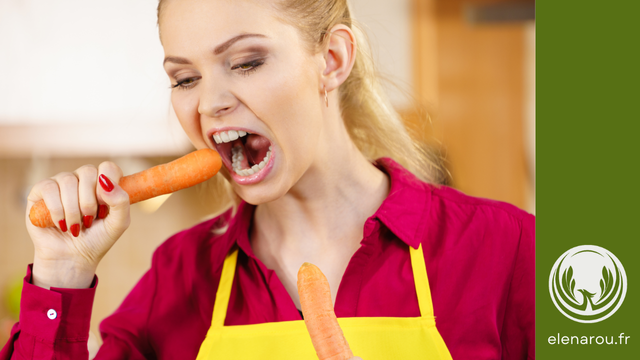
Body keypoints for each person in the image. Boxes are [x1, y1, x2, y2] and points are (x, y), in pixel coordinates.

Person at [0, 0, 535, 359]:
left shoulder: (509, 251)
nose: (209, 103)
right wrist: (61, 275)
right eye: (185, 78)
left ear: (331, 59)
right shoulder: (180, 278)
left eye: (247, 62)